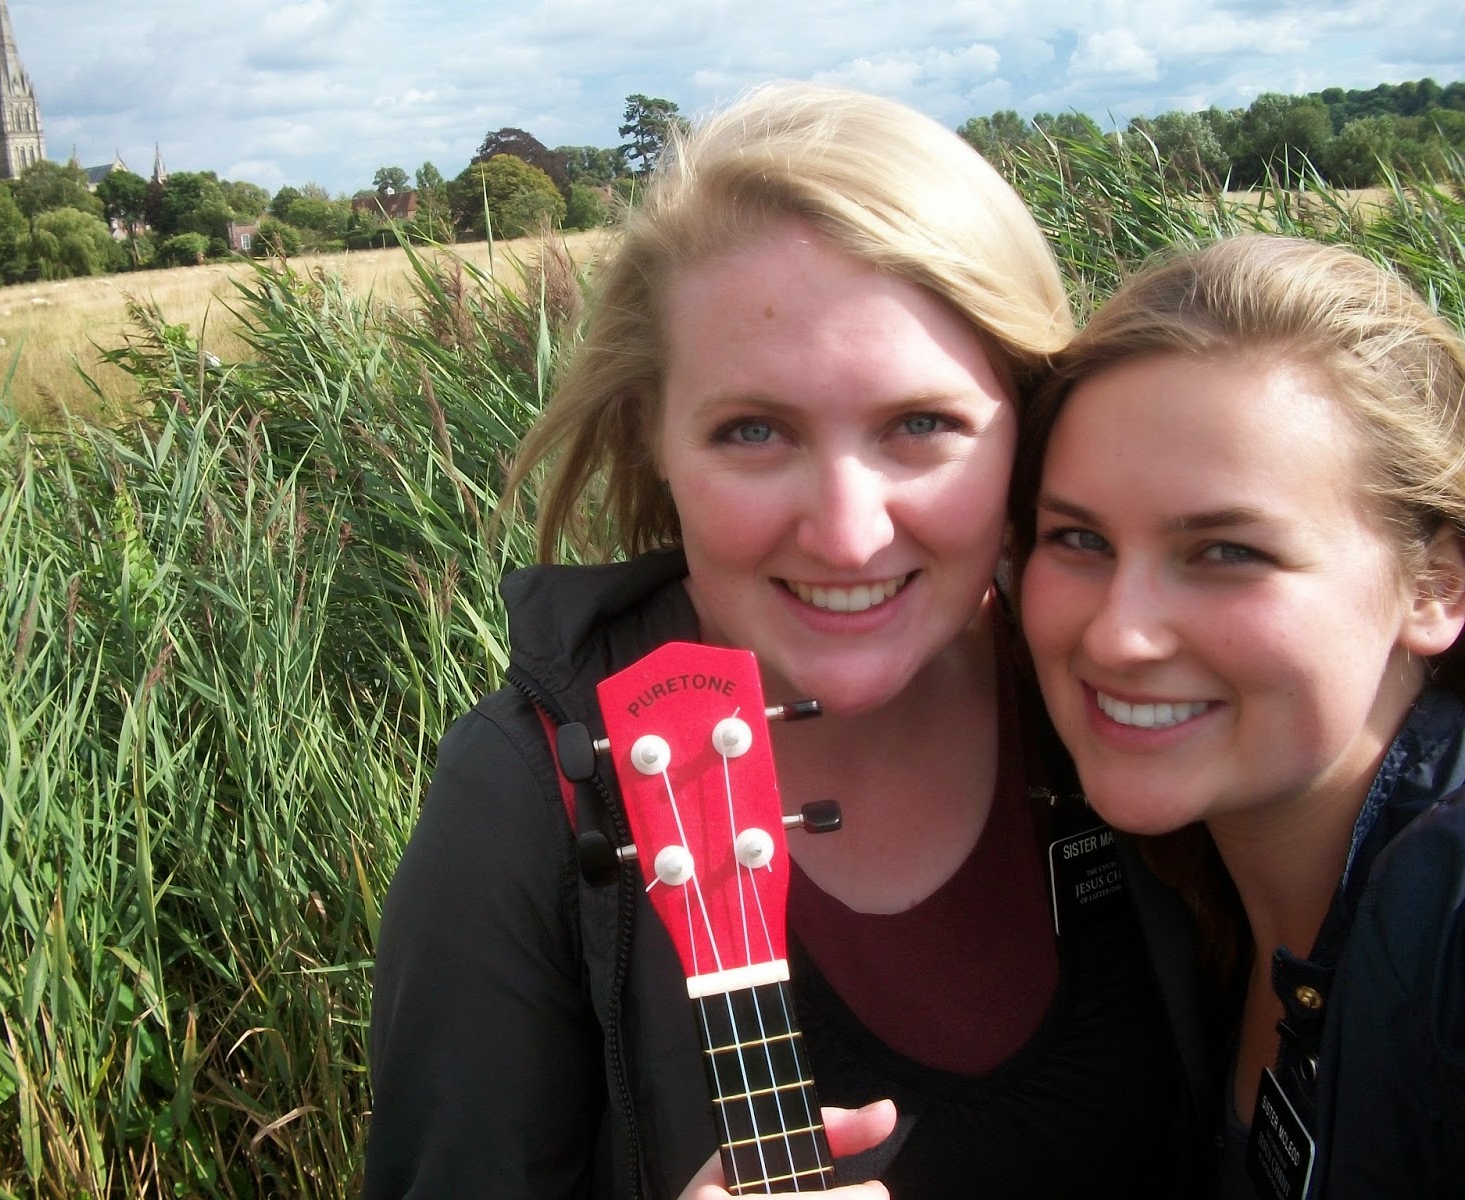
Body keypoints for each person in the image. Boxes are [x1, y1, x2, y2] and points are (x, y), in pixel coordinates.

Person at [364, 82, 1207, 1200]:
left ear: (1025, 425)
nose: (848, 535)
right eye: (753, 431)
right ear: (654, 439)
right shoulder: (527, 799)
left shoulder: (1125, 687)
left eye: (922, 425)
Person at [1012, 234, 1465, 1198]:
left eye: (1227, 552)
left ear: (1434, 587)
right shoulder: (1175, 912)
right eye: (1079, 538)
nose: (1119, 636)